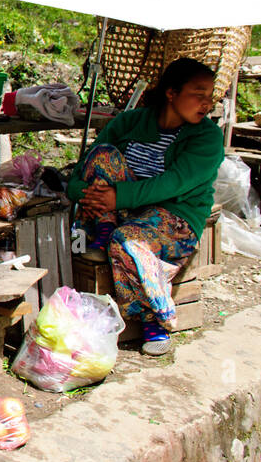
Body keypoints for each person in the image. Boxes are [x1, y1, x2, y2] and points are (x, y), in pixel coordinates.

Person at [66, 58, 224, 356]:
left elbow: (173, 184)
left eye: (210, 96)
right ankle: (104, 225)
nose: (207, 103)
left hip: (174, 218)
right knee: (102, 155)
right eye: (198, 94)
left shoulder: (207, 138)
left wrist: (117, 197)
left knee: (127, 241)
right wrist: (88, 195)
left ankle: (155, 320)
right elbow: (80, 174)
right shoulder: (130, 122)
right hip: (125, 209)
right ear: (171, 92)